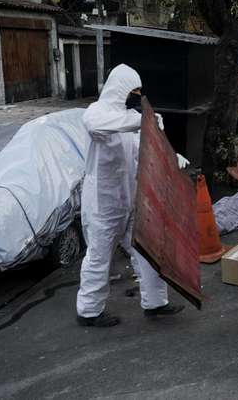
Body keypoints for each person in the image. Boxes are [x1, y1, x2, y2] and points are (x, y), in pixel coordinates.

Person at [77, 64, 187, 327]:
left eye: (138, 93)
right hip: (103, 205)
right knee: (99, 257)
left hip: (129, 203)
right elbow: (96, 125)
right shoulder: (98, 113)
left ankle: (156, 304)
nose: (135, 97)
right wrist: (142, 121)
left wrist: (173, 158)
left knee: (146, 254)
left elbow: (145, 154)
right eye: (132, 91)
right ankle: (89, 311)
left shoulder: (129, 121)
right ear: (120, 89)